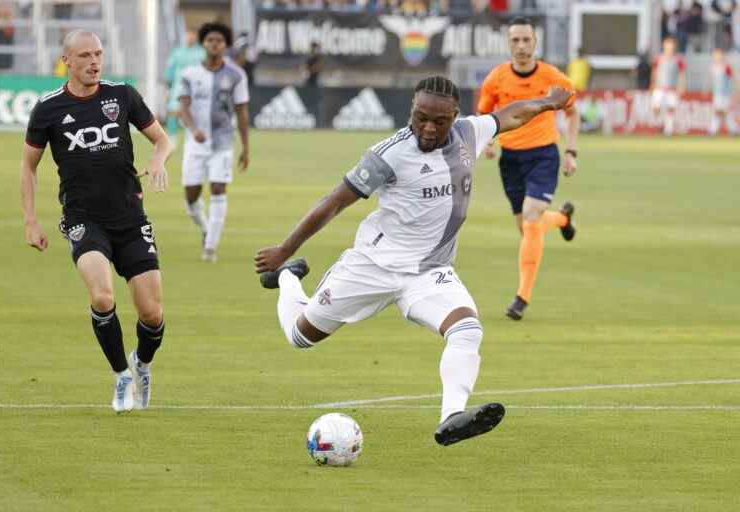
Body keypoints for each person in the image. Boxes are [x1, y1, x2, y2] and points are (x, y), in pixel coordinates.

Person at [254, 76, 572, 446]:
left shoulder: (470, 133)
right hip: (371, 267)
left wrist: (548, 103)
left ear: (455, 116)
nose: (428, 128)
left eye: (439, 121)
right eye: (420, 117)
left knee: (467, 330)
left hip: (430, 273)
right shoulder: (389, 154)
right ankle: (289, 280)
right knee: (300, 337)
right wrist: (285, 250)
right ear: (411, 110)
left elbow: (510, 115)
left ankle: (451, 416)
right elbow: (333, 203)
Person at [20, 30, 172, 413]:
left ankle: (142, 363)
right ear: (66, 60)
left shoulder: (121, 95)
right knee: (102, 297)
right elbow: (28, 166)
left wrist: (157, 160)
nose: (94, 62)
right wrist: (30, 221)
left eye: (98, 54)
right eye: (85, 55)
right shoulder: (48, 108)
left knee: (152, 314)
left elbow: (163, 140)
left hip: (130, 217)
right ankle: (122, 376)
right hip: (83, 219)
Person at [476, 17, 580, 321]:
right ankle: (561, 218)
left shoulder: (553, 78)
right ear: (508, 44)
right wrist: (488, 141)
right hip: (511, 160)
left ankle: (521, 297)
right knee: (527, 228)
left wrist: (571, 151)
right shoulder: (496, 78)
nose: (521, 46)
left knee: (532, 215)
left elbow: (572, 114)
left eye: (526, 40)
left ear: (536, 43)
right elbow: (484, 114)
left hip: (544, 155)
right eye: (515, 41)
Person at [179, 22, 250, 262]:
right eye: (210, 40)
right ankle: (205, 228)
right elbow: (183, 107)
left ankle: (210, 247)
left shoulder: (236, 75)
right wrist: (193, 128)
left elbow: (241, 112)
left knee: (218, 188)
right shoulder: (189, 73)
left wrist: (246, 147)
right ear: (203, 43)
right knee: (191, 196)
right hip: (195, 143)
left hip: (222, 142)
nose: (214, 44)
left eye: (219, 40)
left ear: (225, 45)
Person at [163, 29, 205, 145]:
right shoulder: (177, 52)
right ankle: (172, 137)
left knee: (196, 112)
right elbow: (170, 70)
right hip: (179, 86)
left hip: (197, 87)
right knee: (173, 111)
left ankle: (193, 135)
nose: (190, 38)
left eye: (192, 36)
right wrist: (168, 87)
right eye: (188, 36)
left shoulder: (202, 53)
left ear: (195, 37)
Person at [651, 36, 686, 136]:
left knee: (671, 108)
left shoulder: (678, 60)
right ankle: (658, 124)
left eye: (671, 46)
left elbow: (682, 74)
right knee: (656, 106)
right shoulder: (659, 58)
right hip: (660, 87)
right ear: (664, 46)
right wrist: (653, 83)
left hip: (672, 88)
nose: (669, 48)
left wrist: (682, 85)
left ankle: (668, 130)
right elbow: (655, 72)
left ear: (674, 47)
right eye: (667, 46)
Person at [709, 47, 738, 135]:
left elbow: (734, 78)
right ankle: (714, 130)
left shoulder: (726, 66)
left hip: (725, 93)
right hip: (716, 93)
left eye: (718, 55)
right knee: (718, 112)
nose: (716, 57)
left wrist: (737, 90)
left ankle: (732, 129)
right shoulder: (712, 67)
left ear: (722, 55)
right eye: (715, 55)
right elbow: (713, 81)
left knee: (723, 112)